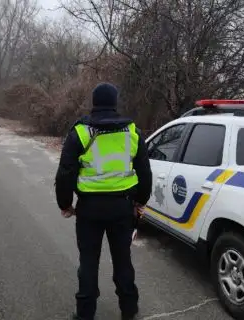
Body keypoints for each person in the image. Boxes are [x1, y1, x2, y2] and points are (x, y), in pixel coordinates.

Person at [54, 82, 153, 320]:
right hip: (122, 207)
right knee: (123, 260)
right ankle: (129, 309)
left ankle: (85, 313)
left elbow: (66, 171)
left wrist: (65, 204)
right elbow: (144, 171)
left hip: (89, 209)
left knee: (88, 261)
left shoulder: (80, 132)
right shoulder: (133, 132)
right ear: (115, 102)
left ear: (94, 102)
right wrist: (140, 201)